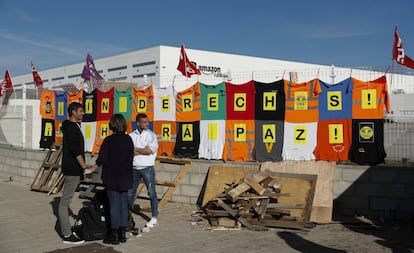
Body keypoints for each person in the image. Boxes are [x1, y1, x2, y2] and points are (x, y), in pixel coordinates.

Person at [59, 102, 96, 244]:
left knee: (65, 201)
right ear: (73, 112)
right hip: (73, 169)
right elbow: (76, 150)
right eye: (80, 111)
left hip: (73, 168)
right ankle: (67, 235)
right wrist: (85, 167)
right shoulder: (71, 128)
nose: (82, 113)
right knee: (64, 203)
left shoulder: (71, 126)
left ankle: (67, 231)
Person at [96, 114, 134, 245]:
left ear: (112, 125)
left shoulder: (109, 140)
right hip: (126, 176)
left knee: (113, 205)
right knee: (123, 204)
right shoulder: (128, 139)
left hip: (112, 176)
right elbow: (131, 157)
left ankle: (114, 233)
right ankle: (122, 233)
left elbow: (102, 159)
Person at [128, 113, 159, 233]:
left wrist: (136, 150)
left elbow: (149, 150)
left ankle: (154, 216)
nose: (147, 124)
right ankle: (127, 216)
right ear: (138, 123)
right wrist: (141, 150)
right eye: (144, 122)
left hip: (147, 168)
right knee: (130, 193)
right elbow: (129, 150)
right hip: (134, 167)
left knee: (151, 192)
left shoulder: (151, 135)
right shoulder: (131, 136)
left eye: (147, 122)